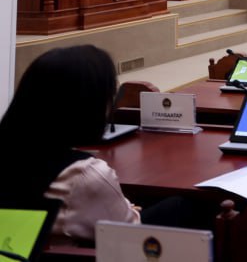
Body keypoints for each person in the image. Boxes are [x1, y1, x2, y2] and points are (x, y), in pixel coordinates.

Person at [0, 45, 142, 241]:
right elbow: (130, 232)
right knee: (177, 206)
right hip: (110, 245)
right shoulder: (85, 174)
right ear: (89, 105)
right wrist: (130, 209)